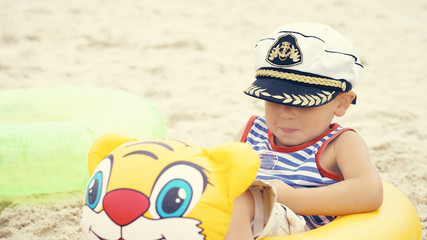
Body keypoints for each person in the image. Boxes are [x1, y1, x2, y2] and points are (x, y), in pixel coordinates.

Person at [224, 22, 383, 240]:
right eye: (274, 99)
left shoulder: (340, 144)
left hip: (297, 226)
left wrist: (291, 197)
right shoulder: (253, 131)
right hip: (242, 220)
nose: (286, 113)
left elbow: (370, 192)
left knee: (242, 199)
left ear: (341, 103)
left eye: (302, 104)